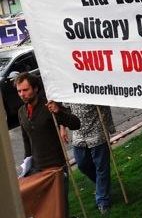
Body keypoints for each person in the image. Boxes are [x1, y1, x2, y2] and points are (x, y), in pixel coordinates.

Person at [15, 72, 81, 217]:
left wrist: (59, 113)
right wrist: (27, 162)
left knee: (59, 209)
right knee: (42, 210)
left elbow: (76, 124)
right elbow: (26, 139)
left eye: (25, 90)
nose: (22, 94)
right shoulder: (21, 112)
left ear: (36, 89)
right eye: (19, 91)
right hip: (35, 169)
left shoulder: (49, 107)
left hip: (56, 167)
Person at [60, 104, 115, 215]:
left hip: (97, 132)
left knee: (101, 167)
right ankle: (103, 185)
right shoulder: (69, 90)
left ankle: (102, 201)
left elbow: (105, 107)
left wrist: (110, 127)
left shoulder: (93, 89)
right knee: (82, 164)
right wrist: (62, 127)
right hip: (79, 135)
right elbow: (64, 110)